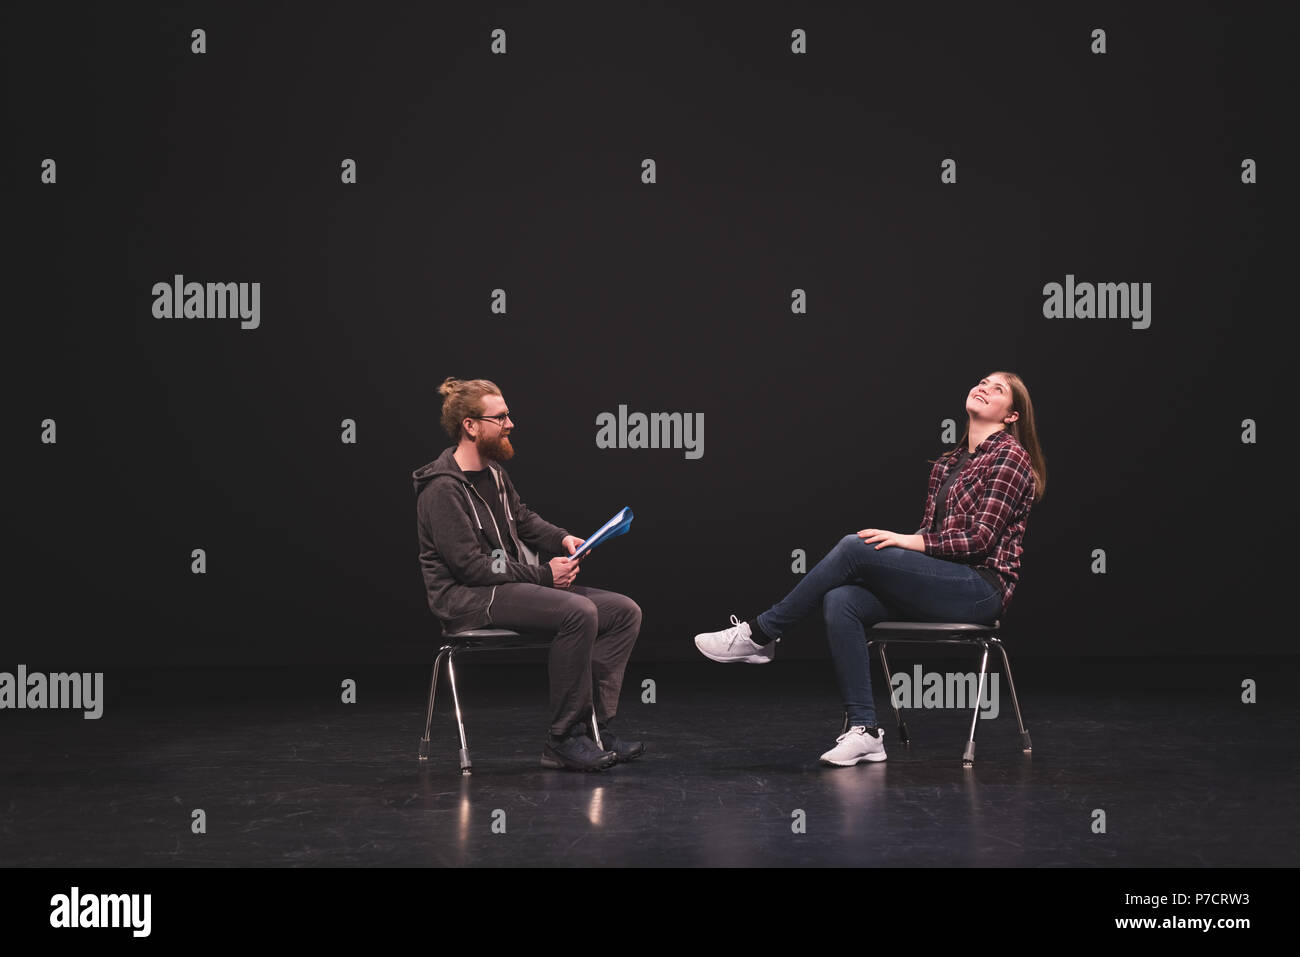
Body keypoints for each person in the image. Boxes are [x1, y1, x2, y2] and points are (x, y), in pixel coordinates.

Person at [693, 372, 1047, 767]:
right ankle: (865, 732)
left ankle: (760, 633)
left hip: (980, 590)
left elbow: (979, 540)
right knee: (842, 599)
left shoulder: (1010, 457)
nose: (983, 388)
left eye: (997, 389)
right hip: (944, 583)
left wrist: (903, 541)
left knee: (854, 546)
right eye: (981, 382)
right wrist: (905, 549)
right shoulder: (948, 463)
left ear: (1012, 415)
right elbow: (934, 539)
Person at [413, 377, 644, 772]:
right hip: (468, 599)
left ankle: (594, 728)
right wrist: (543, 575)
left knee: (624, 611)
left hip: (508, 587)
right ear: (470, 425)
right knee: (578, 612)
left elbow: (524, 520)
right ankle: (563, 739)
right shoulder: (441, 489)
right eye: (500, 416)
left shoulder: (496, 474)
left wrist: (564, 539)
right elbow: (470, 567)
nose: (510, 423)